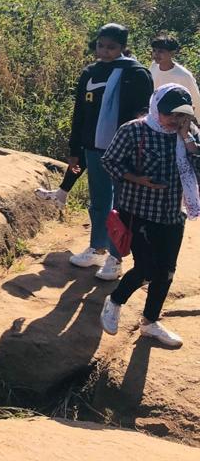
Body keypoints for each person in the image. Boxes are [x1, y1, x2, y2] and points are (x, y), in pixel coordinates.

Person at [100, 84, 200, 348]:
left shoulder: (190, 135)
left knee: (166, 271)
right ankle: (115, 301)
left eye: (181, 115)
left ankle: (150, 322)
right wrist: (137, 179)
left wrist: (188, 140)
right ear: (157, 108)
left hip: (171, 214)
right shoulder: (134, 130)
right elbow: (109, 161)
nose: (175, 120)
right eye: (170, 115)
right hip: (138, 211)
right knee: (145, 268)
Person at [67, 23, 153, 282]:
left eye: (111, 47)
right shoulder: (90, 73)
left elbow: (144, 116)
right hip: (94, 146)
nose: (104, 51)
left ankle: (116, 259)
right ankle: (97, 248)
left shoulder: (136, 74)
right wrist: (75, 149)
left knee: (122, 204)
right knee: (99, 201)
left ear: (123, 47)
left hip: (123, 148)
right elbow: (80, 113)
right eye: (100, 45)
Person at [151, 36, 200, 109]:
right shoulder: (153, 66)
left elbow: (195, 101)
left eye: (161, 51)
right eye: (154, 50)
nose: (156, 54)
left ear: (172, 53)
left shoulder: (183, 75)